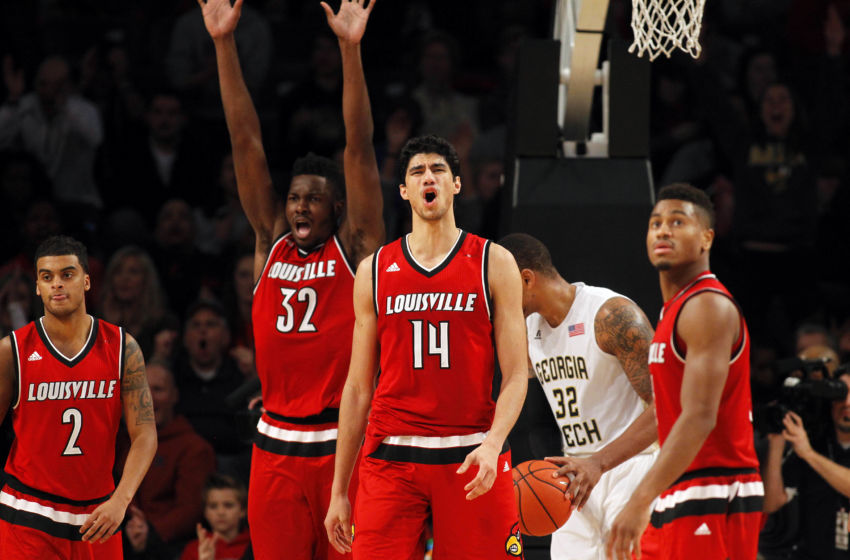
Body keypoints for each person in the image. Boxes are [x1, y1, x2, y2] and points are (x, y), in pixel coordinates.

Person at [200, 0, 385, 558]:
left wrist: (350, 52)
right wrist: (223, 45)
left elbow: (359, 146)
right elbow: (245, 141)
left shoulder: (357, 250)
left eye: (315, 199)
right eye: (295, 197)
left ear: (337, 209)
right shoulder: (269, 242)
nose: (301, 206)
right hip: (276, 446)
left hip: (342, 443)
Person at [324, 134, 528, 559]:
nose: (427, 177)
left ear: (456, 184)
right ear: (403, 191)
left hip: (472, 453)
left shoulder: (494, 262)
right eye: (417, 172)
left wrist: (493, 443)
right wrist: (340, 489)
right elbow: (359, 387)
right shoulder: (375, 270)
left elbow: (516, 375)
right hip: (392, 456)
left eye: (438, 169)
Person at [608, 184, 764, 560]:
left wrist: (638, 498)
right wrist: (600, 462)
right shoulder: (673, 311)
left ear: (707, 238)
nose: (663, 230)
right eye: (656, 223)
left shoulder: (707, 306)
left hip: (714, 486)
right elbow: (667, 412)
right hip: (680, 484)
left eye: (678, 222)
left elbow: (697, 418)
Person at [499, 232, 658, 560]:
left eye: (500, 286)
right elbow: (531, 408)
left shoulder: (611, 315)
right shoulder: (530, 331)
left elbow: (668, 409)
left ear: (526, 279)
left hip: (632, 467)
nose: (496, 299)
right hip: (576, 474)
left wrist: (598, 462)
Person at [0, 234, 157, 558]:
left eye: (67, 274)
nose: (57, 284)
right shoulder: (12, 351)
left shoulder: (122, 348)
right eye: (47, 277)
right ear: (37, 287)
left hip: (99, 518)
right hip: (29, 515)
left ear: (86, 281)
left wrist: (121, 500)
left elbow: (145, 435)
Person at [121, 360, 216, 557]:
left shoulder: (193, 448)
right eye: (141, 388)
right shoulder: (121, 443)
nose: (148, 398)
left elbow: (191, 511)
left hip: (169, 548)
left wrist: (150, 533)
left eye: (158, 389)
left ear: (174, 396)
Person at [762, 370, 850, 559]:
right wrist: (777, 444)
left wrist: (809, 454)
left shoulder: (808, 450)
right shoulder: (815, 443)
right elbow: (772, 503)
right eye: (840, 394)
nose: (847, 403)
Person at [179, 473, 251, 560]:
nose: (220, 512)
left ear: (243, 510)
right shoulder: (194, 550)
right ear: (205, 511)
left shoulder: (254, 545)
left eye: (228, 505)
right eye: (213, 506)